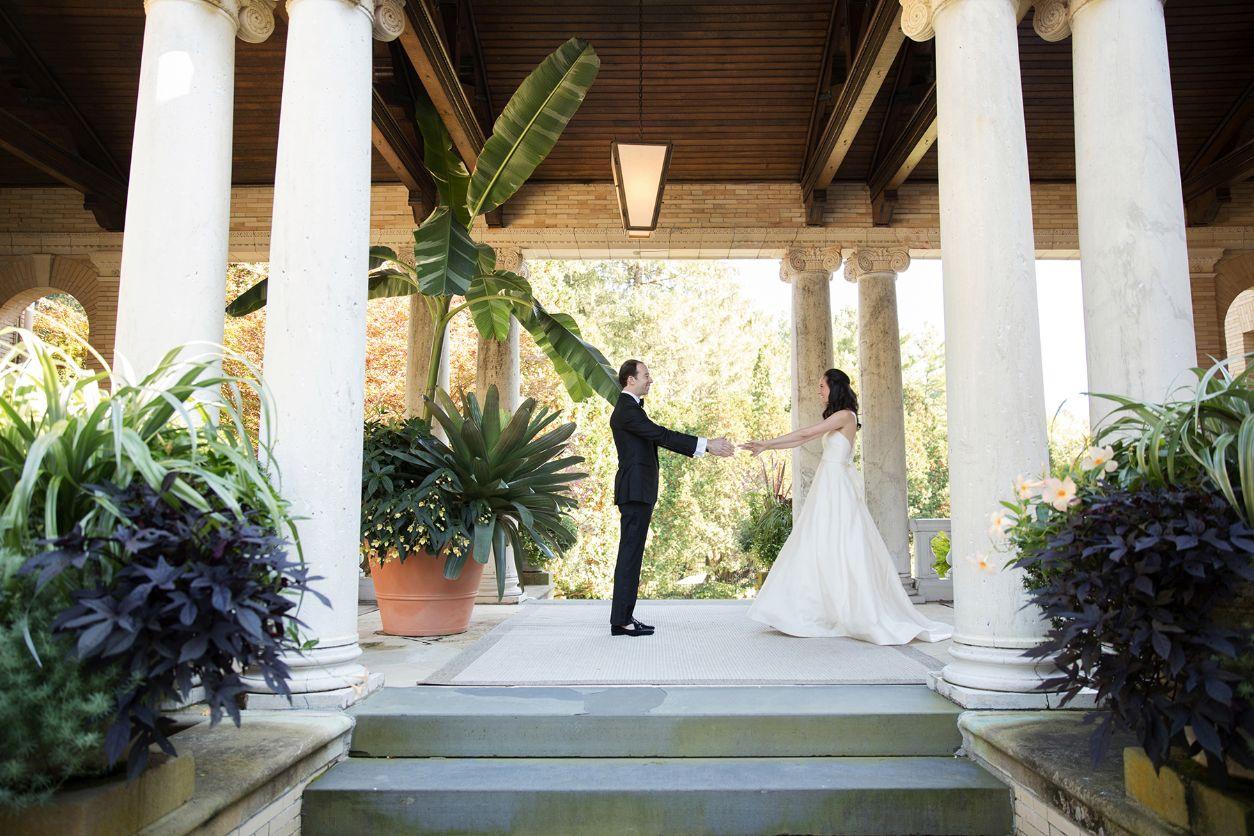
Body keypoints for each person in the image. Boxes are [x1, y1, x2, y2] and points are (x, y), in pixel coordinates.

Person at [742, 368, 951, 645]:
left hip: (837, 485)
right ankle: (811, 608)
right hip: (827, 483)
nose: (819, 391)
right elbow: (802, 438)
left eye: (822, 386)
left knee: (842, 542)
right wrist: (767, 447)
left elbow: (805, 433)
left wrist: (767, 443)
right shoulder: (837, 417)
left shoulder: (846, 415)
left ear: (835, 387)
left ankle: (847, 609)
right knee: (818, 541)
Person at [609, 359, 733, 636]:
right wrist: (707, 445)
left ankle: (624, 617)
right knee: (630, 554)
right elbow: (661, 435)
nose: (650, 380)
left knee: (632, 554)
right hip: (635, 491)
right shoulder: (627, 410)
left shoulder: (631, 409)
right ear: (631, 380)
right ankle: (621, 621)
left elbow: (657, 437)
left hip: (638, 491)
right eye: (646, 375)